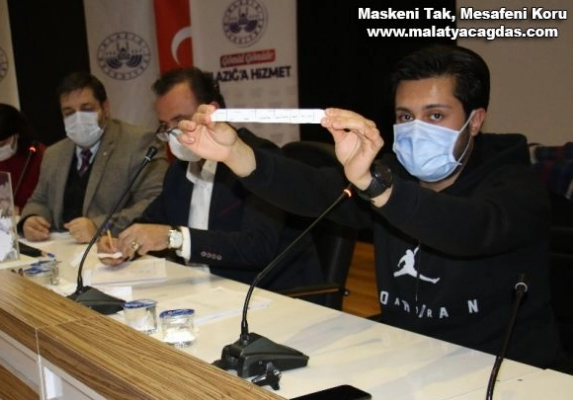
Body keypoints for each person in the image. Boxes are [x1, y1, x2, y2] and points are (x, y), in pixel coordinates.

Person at [176, 45, 560, 367]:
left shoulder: (517, 186)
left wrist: (376, 186)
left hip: (506, 371)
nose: (416, 129)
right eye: (405, 116)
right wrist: (236, 153)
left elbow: (470, 229)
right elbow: (316, 190)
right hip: (408, 358)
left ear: (475, 121)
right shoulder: (395, 174)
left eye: (435, 115)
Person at [98, 67, 323, 292]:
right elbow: (151, 221)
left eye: (180, 120)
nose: (174, 133)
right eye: (166, 125)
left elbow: (258, 247)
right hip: (201, 292)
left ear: (211, 112)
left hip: (267, 296)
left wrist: (174, 238)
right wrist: (121, 242)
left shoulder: (255, 161)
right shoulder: (179, 170)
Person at [19, 72, 167, 243]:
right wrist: (31, 219)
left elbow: (155, 202)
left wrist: (99, 227)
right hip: (62, 249)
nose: (78, 118)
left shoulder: (139, 143)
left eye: (86, 109)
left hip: (114, 249)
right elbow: (39, 200)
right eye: (69, 112)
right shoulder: (54, 153)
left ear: (105, 107)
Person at [0, 103, 46, 213]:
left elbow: (52, 205)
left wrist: (21, 211)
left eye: (0, 145)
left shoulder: (41, 156)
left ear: (16, 135)